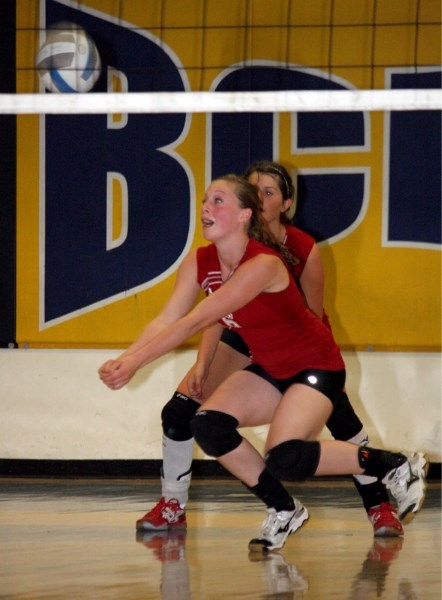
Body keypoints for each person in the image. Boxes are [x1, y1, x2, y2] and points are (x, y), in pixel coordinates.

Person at [99, 174, 427, 552]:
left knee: (285, 457)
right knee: (208, 424)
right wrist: (125, 358)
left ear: (244, 215)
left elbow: (197, 320)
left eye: (218, 200)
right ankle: (284, 509)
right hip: (272, 367)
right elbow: (167, 318)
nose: (206, 206)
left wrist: (136, 362)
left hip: (315, 366)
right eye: (206, 200)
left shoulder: (262, 265)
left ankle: (395, 465)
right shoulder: (200, 261)